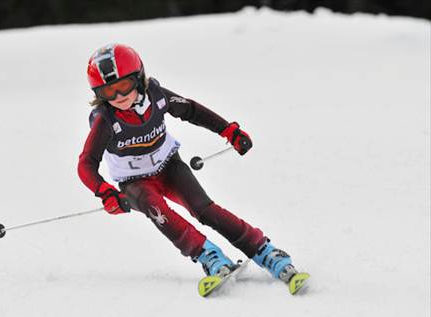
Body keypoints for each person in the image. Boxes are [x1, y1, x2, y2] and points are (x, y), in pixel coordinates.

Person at [78, 43, 308, 293]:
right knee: (157, 210)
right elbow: (86, 164)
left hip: (168, 167)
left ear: (139, 78)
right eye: (108, 91)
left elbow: (191, 110)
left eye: (124, 86)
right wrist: (106, 193)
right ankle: (208, 255)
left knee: (204, 209)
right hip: (135, 182)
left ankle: (264, 250)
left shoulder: (156, 96)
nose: (119, 97)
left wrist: (228, 130)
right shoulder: (105, 120)